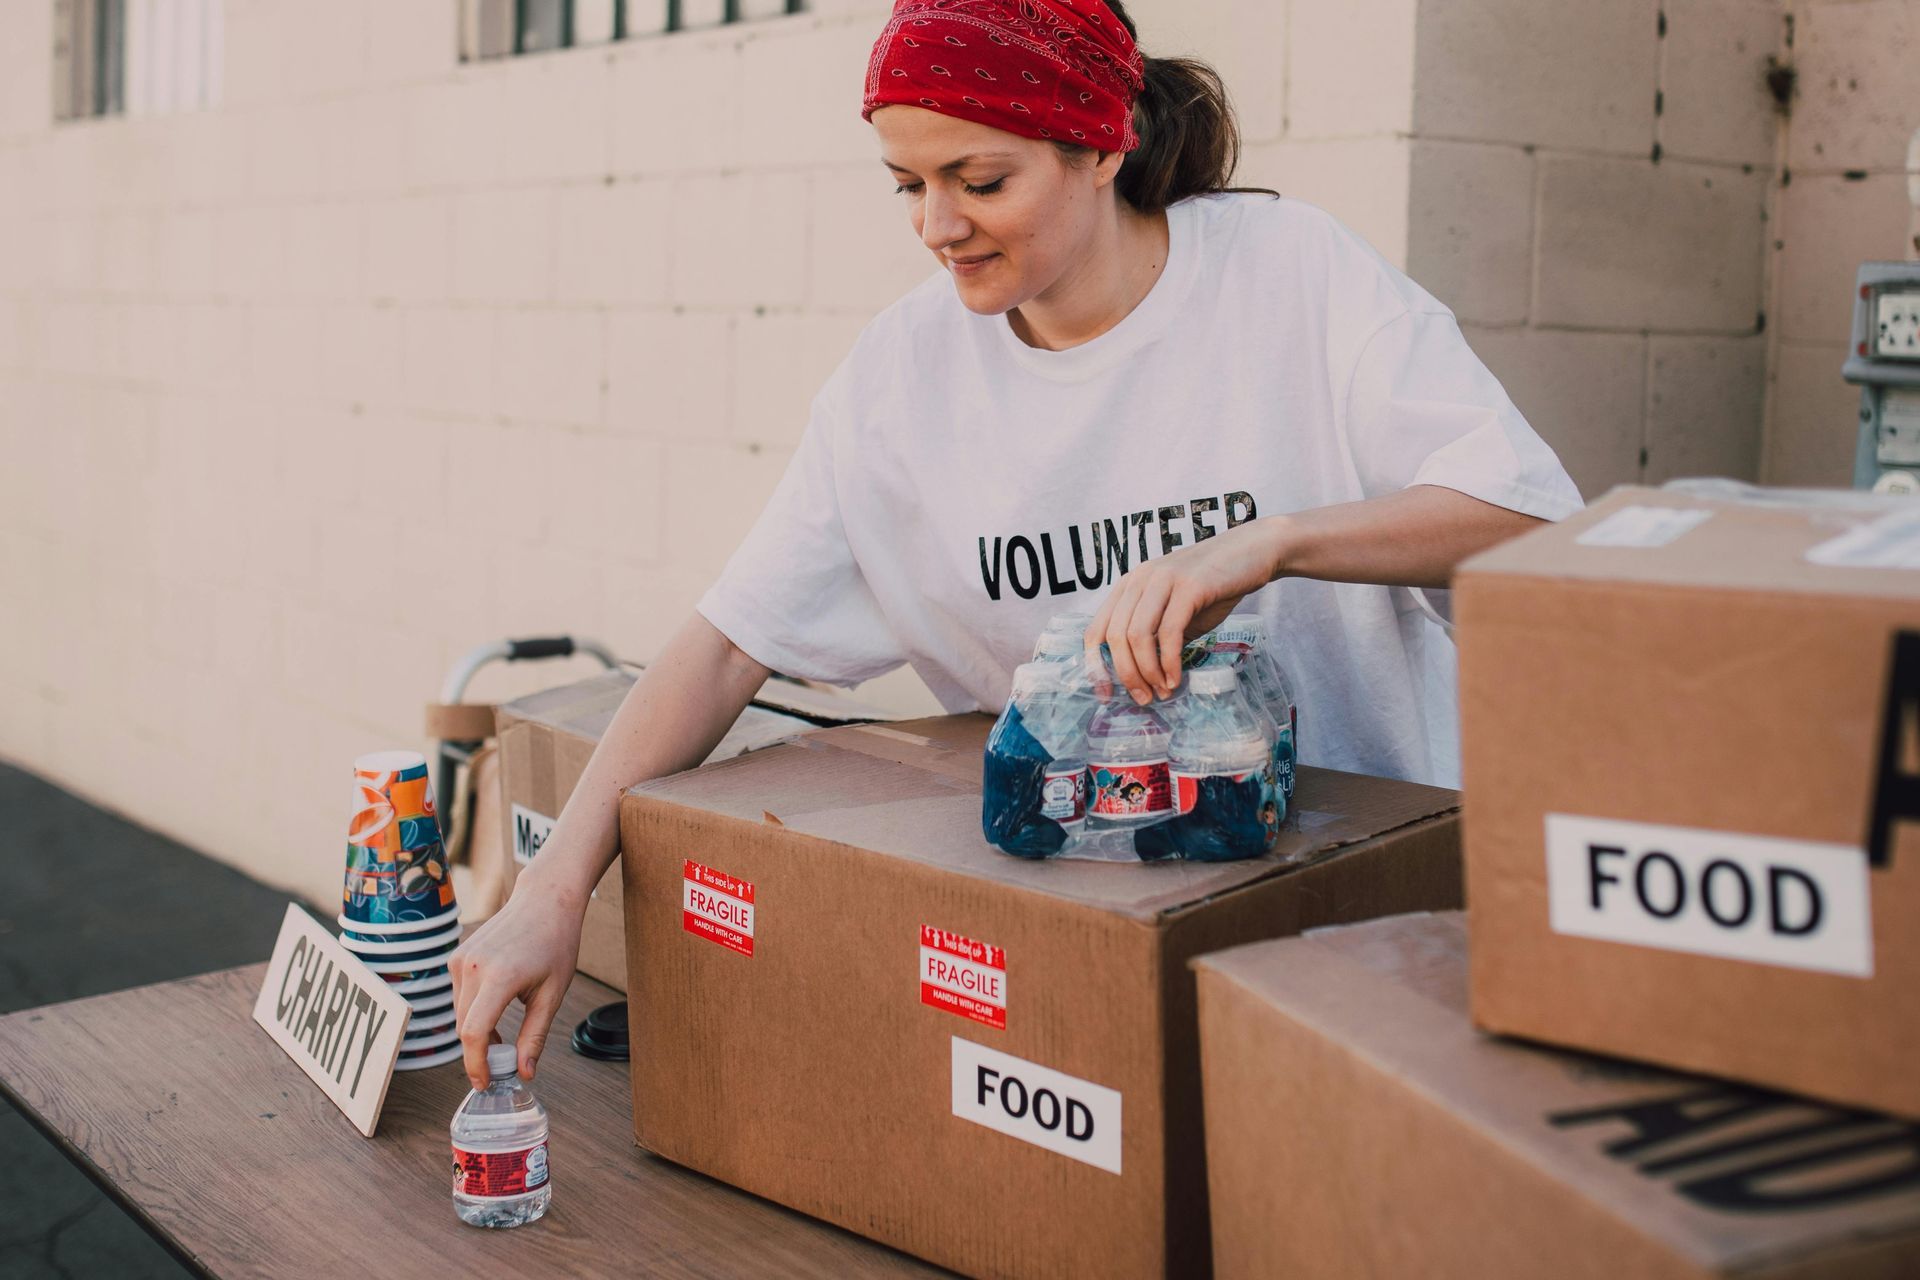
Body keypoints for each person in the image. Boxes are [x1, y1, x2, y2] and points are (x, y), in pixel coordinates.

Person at [449, 0, 1583, 1090]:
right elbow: (725, 644)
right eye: (908, 183)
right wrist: (551, 889)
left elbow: (1526, 515)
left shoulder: (1289, 275)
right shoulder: (900, 384)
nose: (937, 226)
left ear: (1103, 145)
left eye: (979, 180)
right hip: (1106, 953)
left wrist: (1268, 543)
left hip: (1376, 931)